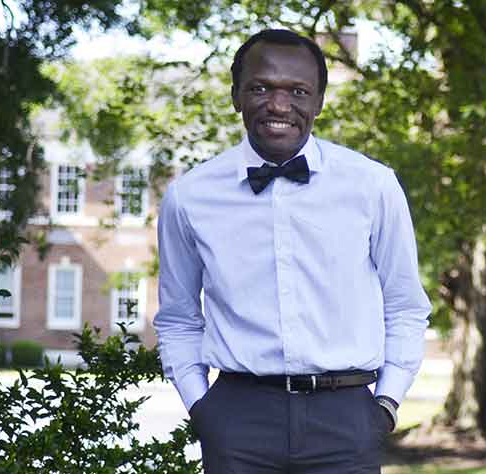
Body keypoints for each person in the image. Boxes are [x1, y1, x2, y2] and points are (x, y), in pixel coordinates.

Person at [154, 29, 432, 474]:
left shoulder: (373, 186)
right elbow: (178, 317)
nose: (279, 106)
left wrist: (385, 404)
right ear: (236, 96)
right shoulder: (189, 197)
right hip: (237, 420)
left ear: (319, 101)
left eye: (298, 91)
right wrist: (202, 408)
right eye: (261, 88)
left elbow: (404, 305)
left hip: (347, 419)